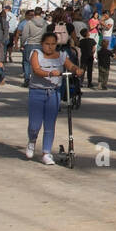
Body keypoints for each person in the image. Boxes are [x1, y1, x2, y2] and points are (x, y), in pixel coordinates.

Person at [26, 32, 81, 165]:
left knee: (50, 124)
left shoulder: (61, 56)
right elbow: (36, 69)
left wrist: (76, 69)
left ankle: (46, 152)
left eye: (53, 44)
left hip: (54, 93)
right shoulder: (36, 53)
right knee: (35, 125)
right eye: (47, 44)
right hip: (37, 92)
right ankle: (32, 140)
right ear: (42, 44)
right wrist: (50, 73)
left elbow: (70, 65)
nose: (50, 47)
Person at [18, 8, 47, 85]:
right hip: (40, 44)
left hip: (30, 43)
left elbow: (25, 34)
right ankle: (38, 78)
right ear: (41, 13)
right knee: (39, 62)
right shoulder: (45, 23)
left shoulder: (29, 23)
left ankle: (27, 79)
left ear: (34, 14)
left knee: (27, 62)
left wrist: (22, 43)